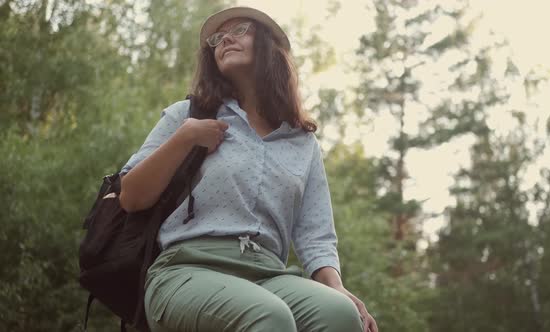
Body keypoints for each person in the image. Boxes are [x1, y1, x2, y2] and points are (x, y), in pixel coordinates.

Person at [118, 6, 378, 332]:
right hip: (186, 270)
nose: (225, 38)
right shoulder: (187, 116)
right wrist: (184, 138)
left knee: (340, 314)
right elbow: (130, 196)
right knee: (269, 316)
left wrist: (337, 287)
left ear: (268, 46)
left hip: (268, 274)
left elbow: (316, 236)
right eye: (217, 38)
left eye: (240, 30)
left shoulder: (303, 142)